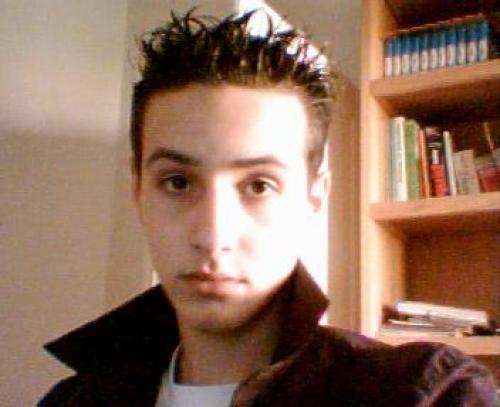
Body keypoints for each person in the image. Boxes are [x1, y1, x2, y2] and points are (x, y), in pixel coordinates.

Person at [39, 9, 496, 406]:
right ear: (139, 190)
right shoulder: (73, 400)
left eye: (258, 185)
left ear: (313, 197)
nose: (213, 236)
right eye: (177, 182)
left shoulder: (421, 393)